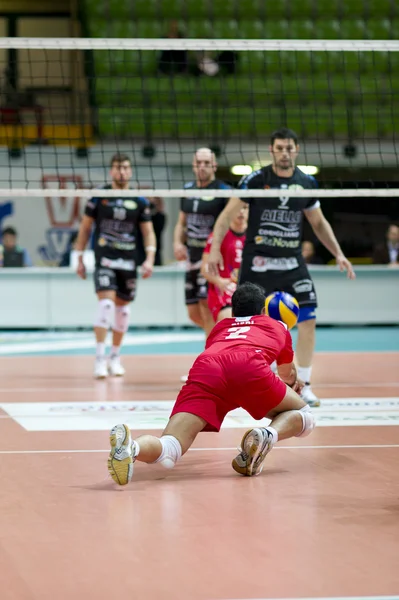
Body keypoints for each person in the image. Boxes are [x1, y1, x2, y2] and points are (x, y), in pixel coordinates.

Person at [108, 282, 315, 486]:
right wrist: (289, 385)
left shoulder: (220, 327)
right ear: (263, 311)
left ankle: (131, 448)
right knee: (304, 414)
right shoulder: (278, 325)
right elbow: (286, 375)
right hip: (249, 367)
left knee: (170, 446)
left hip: (207, 368)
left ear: (233, 310)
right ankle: (267, 435)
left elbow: (225, 361)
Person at [207, 128, 356, 407]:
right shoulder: (256, 179)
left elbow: (318, 222)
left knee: (308, 319)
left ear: (296, 150)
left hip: (292, 264)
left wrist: (339, 253)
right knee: (248, 324)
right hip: (258, 264)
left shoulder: (306, 182)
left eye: (289, 148)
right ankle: (254, 379)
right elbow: (227, 215)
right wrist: (214, 250)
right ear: (272, 150)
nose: (285, 152)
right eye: (279, 148)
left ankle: (306, 384)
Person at [75, 153, 156, 379]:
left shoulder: (140, 201)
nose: (122, 171)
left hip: (128, 261)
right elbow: (85, 228)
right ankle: (99, 358)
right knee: (106, 306)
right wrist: (79, 257)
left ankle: (115, 356)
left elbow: (148, 232)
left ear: (130, 171)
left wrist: (149, 258)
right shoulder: (99, 197)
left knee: (123, 311)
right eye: (118, 167)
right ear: (111, 171)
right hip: (105, 260)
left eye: (126, 167)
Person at [173, 147, 231, 340]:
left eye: (207, 163)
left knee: (206, 307)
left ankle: (212, 355)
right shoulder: (188, 190)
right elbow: (182, 221)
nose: (203, 167)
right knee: (193, 312)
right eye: (199, 163)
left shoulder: (224, 191)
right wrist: (177, 243)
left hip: (211, 257)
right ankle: (220, 337)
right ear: (193, 165)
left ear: (214, 165)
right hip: (192, 257)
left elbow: (229, 225)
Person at [201, 205, 248, 322]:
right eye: (238, 208)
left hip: (248, 289)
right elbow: (204, 269)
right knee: (231, 319)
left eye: (245, 208)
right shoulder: (218, 237)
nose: (241, 211)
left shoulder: (255, 235)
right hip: (224, 290)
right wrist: (219, 281)